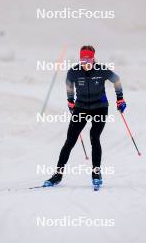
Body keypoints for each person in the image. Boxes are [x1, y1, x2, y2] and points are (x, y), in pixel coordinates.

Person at [44, 45, 126, 188]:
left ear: (93, 58)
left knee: (94, 136)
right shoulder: (73, 72)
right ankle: (57, 175)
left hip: (100, 108)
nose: (85, 63)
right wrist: (70, 101)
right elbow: (69, 85)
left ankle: (96, 173)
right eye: (83, 60)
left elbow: (117, 80)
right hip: (81, 107)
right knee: (70, 140)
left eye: (88, 59)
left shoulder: (102, 70)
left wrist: (120, 98)